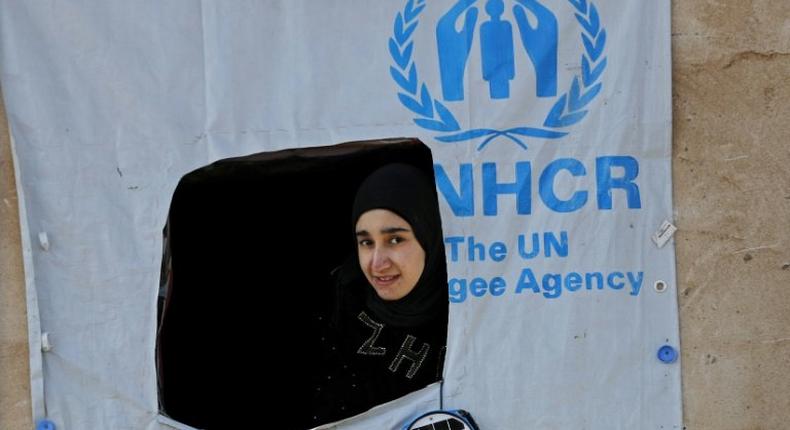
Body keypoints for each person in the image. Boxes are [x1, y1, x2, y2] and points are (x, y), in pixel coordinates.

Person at [308, 163, 449, 426]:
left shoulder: (469, 310)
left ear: (429, 235)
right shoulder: (342, 300)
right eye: (366, 242)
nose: (377, 263)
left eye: (395, 240)